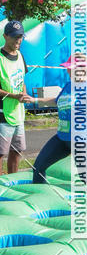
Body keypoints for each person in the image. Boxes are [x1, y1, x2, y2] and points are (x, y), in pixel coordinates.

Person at [32, 53, 87, 184]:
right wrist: (34, 100)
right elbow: (56, 100)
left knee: (86, 177)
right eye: (68, 68)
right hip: (62, 137)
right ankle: (38, 193)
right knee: (38, 167)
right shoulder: (69, 85)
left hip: (80, 138)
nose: (68, 70)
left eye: (70, 68)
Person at [0, 20, 34, 175]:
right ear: (5, 36)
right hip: (3, 113)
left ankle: (12, 182)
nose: (18, 40)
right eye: (14, 36)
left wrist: (24, 93)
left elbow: (22, 81)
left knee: (17, 150)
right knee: (1, 152)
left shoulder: (20, 55)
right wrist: (14, 96)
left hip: (18, 113)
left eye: (20, 36)